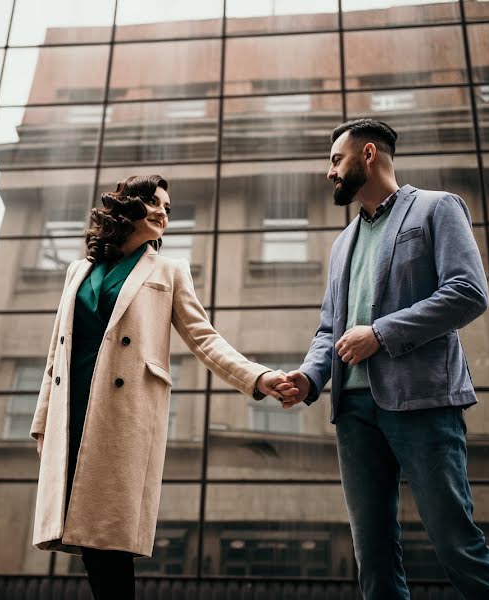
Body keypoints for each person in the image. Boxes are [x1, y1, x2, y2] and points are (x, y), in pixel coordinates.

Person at [30, 175, 297, 599]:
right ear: (127, 207)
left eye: (168, 208)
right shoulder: (77, 271)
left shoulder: (169, 271)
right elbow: (55, 354)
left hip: (121, 414)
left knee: (109, 540)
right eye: (155, 203)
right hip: (72, 413)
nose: (163, 213)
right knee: (89, 541)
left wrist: (257, 377)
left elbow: (204, 339)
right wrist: (42, 423)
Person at [281, 119, 489, 599]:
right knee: (374, 558)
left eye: (335, 160)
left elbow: (468, 293)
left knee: (456, 543)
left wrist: (381, 334)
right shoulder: (342, 243)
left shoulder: (436, 207)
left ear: (368, 154)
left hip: (423, 401)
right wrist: (309, 378)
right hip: (353, 412)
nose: (329, 173)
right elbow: (331, 328)